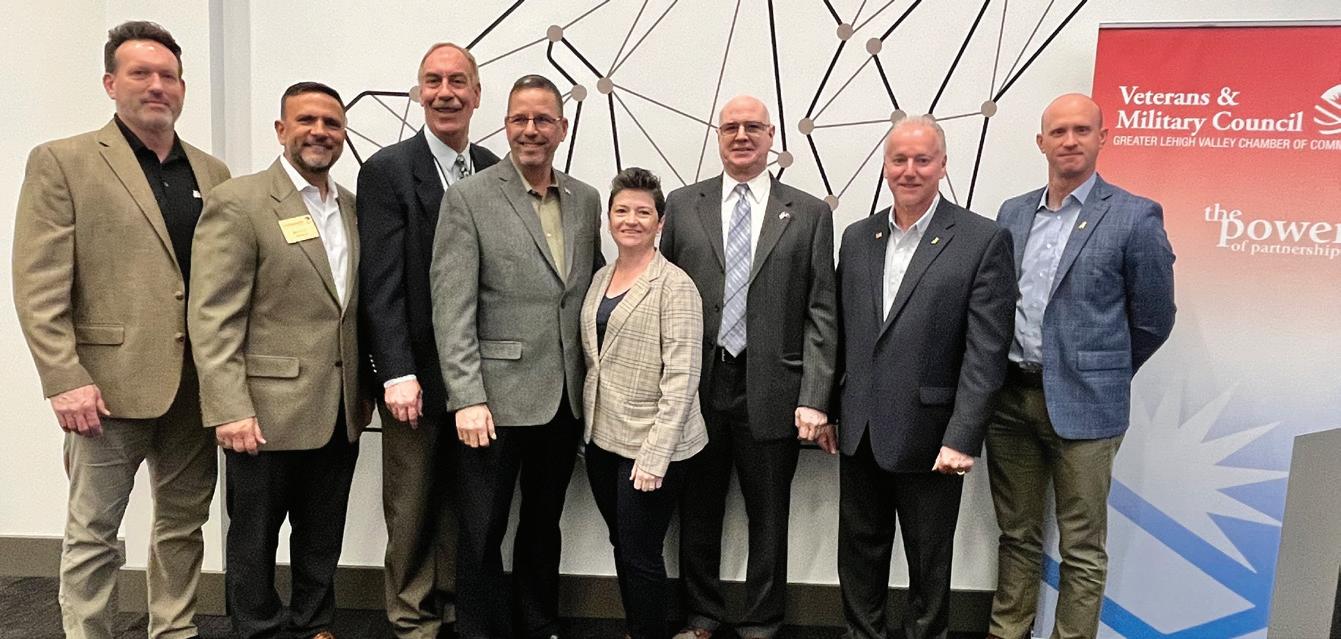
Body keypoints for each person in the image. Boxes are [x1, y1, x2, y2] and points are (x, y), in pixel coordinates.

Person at [11, 20, 230, 639]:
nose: (157, 86)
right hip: (103, 388)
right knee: (94, 531)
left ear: (182, 87)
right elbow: (38, 281)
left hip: (196, 386)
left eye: (169, 76)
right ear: (111, 83)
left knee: (184, 524)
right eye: (141, 73)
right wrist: (63, 378)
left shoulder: (212, 172)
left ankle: (174, 629)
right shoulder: (64, 161)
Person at [986, 93, 1175, 639]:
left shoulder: (1135, 216)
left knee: (1082, 548)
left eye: (1082, 130)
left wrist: (1101, 371)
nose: (1070, 141)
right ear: (1041, 142)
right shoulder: (1013, 213)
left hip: (1087, 406)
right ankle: (1008, 631)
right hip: (1010, 400)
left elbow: (1154, 319)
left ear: (1102, 138)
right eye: (1059, 131)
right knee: (1016, 536)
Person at [188, 81, 371, 639]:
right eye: (306, 120)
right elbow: (213, 316)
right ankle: (259, 630)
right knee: (254, 538)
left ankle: (315, 624)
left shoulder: (351, 207)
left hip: (338, 409)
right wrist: (228, 408)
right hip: (262, 413)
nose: (320, 132)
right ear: (281, 129)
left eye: (332, 123)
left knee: (322, 534)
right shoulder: (240, 202)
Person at [429, 74, 603, 639]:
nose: (531, 130)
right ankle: (480, 630)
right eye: (520, 119)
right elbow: (451, 308)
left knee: (544, 523)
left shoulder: (585, 199)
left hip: (563, 397)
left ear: (562, 128)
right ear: (504, 126)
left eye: (543, 119)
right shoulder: (469, 197)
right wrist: (466, 397)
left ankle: (538, 621)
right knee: (482, 528)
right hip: (493, 403)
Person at [659, 95, 838, 639]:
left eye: (752, 127)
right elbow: (661, 294)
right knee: (697, 511)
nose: (741, 136)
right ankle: (702, 615)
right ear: (718, 135)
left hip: (775, 387)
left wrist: (816, 396)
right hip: (698, 384)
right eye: (731, 127)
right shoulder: (682, 205)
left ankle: (762, 621)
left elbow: (822, 312)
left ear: (771, 135)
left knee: (769, 516)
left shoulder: (809, 212)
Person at [833, 115, 1015, 639]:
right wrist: (829, 408)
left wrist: (963, 436)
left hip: (933, 437)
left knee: (928, 563)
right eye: (899, 160)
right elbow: (842, 331)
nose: (909, 170)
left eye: (922, 159)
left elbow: (986, 351)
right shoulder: (858, 237)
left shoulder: (982, 239)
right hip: (861, 430)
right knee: (859, 555)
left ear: (943, 165)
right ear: (885, 166)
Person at [356, 41, 500, 638]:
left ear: (476, 95)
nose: (445, 93)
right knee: (412, 505)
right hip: (413, 375)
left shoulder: (493, 167)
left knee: (467, 507)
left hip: (479, 378)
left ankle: (455, 607)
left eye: (457, 81)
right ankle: (413, 620)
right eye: (433, 81)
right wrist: (395, 371)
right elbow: (380, 281)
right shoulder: (388, 170)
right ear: (419, 93)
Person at [580, 167, 708, 639]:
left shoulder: (676, 286)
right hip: (602, 438)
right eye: (621, 211)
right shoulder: (600, 278)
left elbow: (682, 378)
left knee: (640, 552)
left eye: (642, 212)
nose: (630, 220)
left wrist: (656, 456)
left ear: (660, 222)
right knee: (624, 544)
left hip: (652, 446)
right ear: (608, 219)